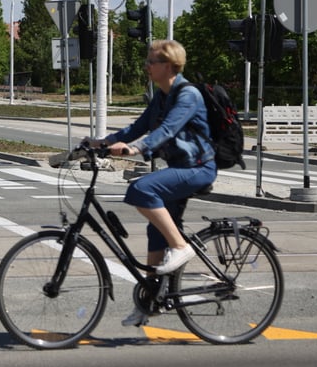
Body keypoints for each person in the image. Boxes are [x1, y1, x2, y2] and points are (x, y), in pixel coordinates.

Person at [84, 39, 217, 327]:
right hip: (180, 167)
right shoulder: (161, 95)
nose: (146, 66)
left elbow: (167, 130)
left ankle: (181, 247)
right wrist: (102, 142)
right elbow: (139, 126)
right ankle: (149, 302)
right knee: (155, 230)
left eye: (151, 62)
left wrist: (136, 149)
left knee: (141, 189)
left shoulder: (187, 94)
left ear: (168, 65)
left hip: (198, 168)